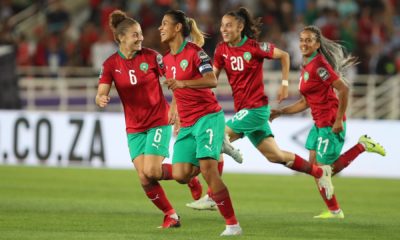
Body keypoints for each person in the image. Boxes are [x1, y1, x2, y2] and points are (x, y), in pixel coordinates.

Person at [187, 7, 334, 211]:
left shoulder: (254, 47)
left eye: (229, 25)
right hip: (244, 111)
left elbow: (284, 56)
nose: (224, 29)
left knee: (216, 138)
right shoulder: (221, 50)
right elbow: (212, 78)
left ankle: (213, 196)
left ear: (240, 27)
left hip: (256, 109)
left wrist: (284, 84)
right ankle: (319, 172)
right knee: (276, 156)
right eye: (222, 26)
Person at [95, 10, 203, 229]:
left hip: (158, 120)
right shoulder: (110, 64)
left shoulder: (152, 57)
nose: (141, 38)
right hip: (134, 127)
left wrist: (176, 107)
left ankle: (190, 175)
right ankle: (171, 215)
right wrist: (101, 98)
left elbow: (174, 80)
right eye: (135, 35)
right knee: (144, 178)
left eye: (141, 34)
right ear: (121, 38)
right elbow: (101, 91)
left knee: (152, 171)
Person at [270, 25, 386, 218]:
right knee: (314, 167)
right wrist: (281, 112)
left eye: (309, 40)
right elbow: (306, 101)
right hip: (318, 122)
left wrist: (339, 119)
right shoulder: (306, 65)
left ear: (317, 44)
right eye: (302, 39)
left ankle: (362, 145)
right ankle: (334, 211)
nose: (304, 43)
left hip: (330, 122)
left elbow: (344, 90)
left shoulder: (319, 65)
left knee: (325, 172)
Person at [159, 9, 242, 236]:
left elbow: (212, 80)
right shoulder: (165, 59)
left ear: (177, 28)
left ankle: (233, 225)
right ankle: (219, 147)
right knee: (180, 174)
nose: (160, 28)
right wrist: (175, 108)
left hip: (208, 117)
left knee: (208, 171)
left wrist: (184, 84)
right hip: (187, 123)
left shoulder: (196, 52)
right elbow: (175, 86)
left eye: (165, 24)